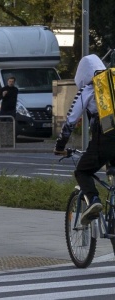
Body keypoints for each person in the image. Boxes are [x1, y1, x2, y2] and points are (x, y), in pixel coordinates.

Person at [54, 54, 115, 225]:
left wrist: (60, 146)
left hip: (106, 135)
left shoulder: (89, 88)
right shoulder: (113, 82)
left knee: (82, 171)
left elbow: (71, 121)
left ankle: (94, 200)